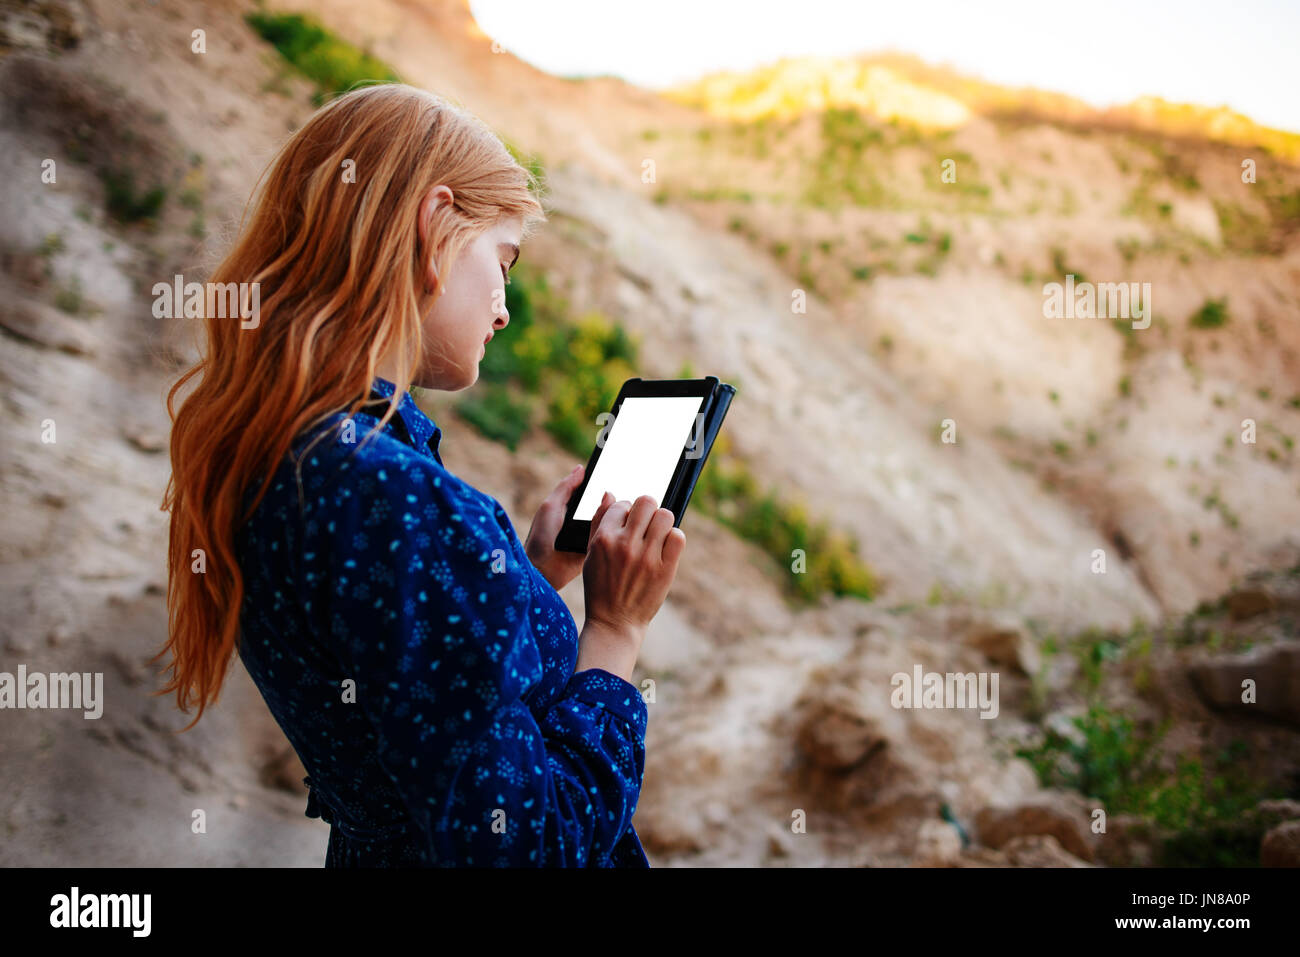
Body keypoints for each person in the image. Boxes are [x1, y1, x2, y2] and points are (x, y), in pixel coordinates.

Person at [155, 83, 686, 867]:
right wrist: (616, 627)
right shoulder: (389, 493)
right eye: (502, 261)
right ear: (435, 222)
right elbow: (532, 846)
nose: (504, 309)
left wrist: (529, 577)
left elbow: (411, 705)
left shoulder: (285, 452)